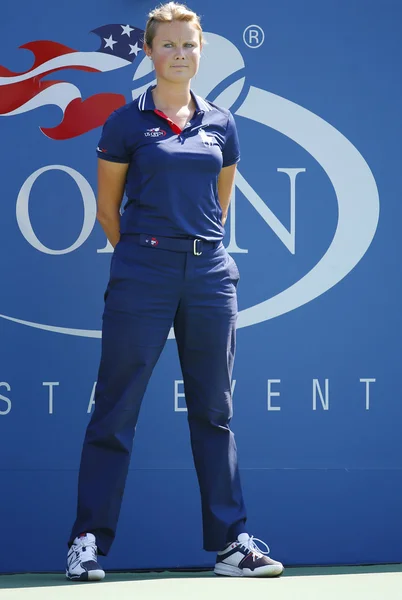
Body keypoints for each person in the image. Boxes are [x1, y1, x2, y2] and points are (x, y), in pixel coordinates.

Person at [66, 1, 284, 581]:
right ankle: (87, 541)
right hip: (143, 272)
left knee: (214, 413)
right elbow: (109, 211)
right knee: (115, 409)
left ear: (200, 50)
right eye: (167, 44)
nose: (179, 54)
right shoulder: (125, 122)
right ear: (149, 51)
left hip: (210, 274)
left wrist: (193, 253)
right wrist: (147, 254)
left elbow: (219, 200)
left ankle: (231, 544)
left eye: (188, 44)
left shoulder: (220, 123)